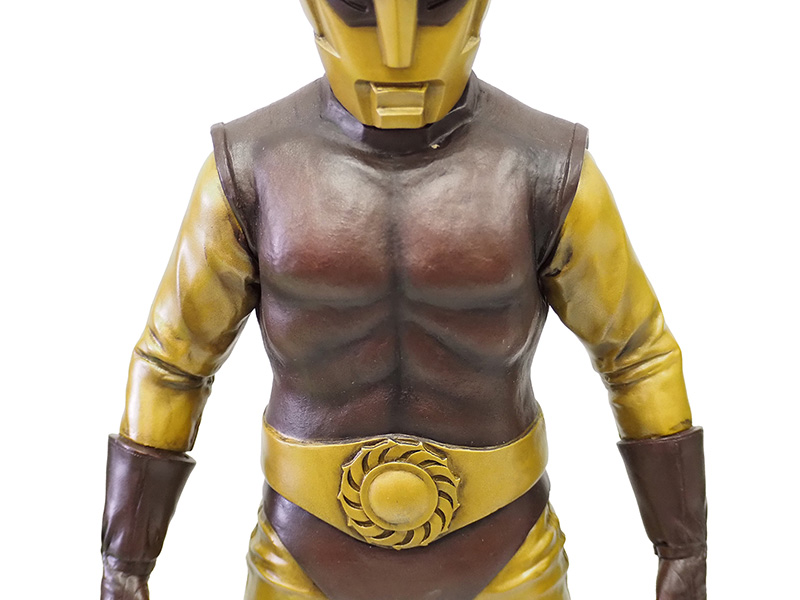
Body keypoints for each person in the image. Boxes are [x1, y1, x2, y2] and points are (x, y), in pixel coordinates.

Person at [100, 1, 707, 599]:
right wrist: (124, 566)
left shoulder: (549, 170)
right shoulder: (247, 169)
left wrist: (684, 554)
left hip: (505, 555)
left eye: (434, 6)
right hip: (305, 556)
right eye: (360, 7)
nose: (397, 51)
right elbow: (172, 363)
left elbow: (638, 355)